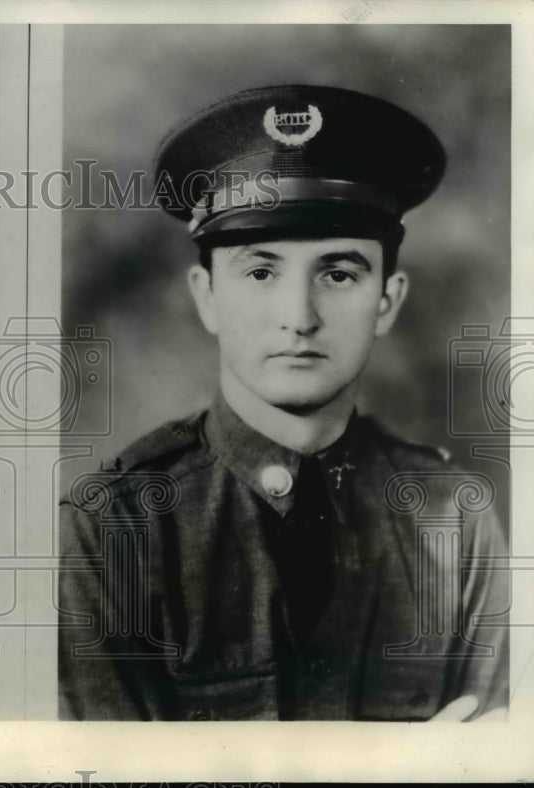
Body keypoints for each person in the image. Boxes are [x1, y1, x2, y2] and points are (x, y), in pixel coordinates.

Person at [58, 84, 509, 721]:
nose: (298, 317)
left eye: (339, 273)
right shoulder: (116, 526)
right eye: (261, 272)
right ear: (207, 295)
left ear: (388, 300)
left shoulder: (455, 519)